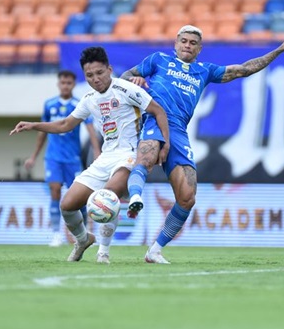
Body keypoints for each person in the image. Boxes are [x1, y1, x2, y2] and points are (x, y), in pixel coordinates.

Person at [121, 25, 284, 264]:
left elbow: (243, 70)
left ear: (199, 49)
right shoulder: (157, 60)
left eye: (193, 43)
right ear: (176, 43)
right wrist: (135, 80)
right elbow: (123, 79)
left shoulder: (204, 71)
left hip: (179, 132)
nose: (187, 45)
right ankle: (135, 197)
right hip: (155, 118)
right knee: (147, 155)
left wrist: (279, 50)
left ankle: (155, 250)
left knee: (187, 197)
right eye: (183, 41)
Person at [11, 46, 169, 264]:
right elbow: (66, 124)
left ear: (109, 69)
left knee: (108, 197)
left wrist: (165, 145)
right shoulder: (89, 98)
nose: (95, 79)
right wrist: (33, 125)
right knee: (67, 205)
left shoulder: (126, 89)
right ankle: (83, 239)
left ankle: (103, 252)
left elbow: (158, 111)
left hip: (129, 154)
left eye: (99, 73)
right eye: (89, 75)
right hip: (105, 158)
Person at [23, 70, 101, 247]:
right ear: (58, 84)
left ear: (73, 85)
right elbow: (43, 132)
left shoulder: (79, 104)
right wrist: (34, 156)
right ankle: (56, 234)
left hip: (72, 159)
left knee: (79, 197)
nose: (65, 85)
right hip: (53, 157)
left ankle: (84, 233)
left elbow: (90, 129)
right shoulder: (49, 105)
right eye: (63, 82)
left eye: (69, 83)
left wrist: (96, 151)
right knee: (55, 191)